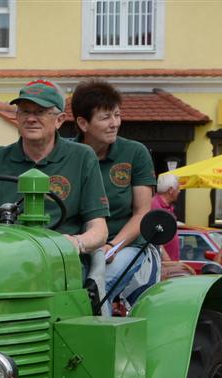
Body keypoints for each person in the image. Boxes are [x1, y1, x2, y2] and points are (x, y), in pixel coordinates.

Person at [0, 79, 109, 255]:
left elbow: (99, 229)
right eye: (24, 112)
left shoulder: (81, 157)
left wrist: (74, 243)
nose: (30, 119)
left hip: (60, 259)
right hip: (5, 256)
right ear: (17, 117)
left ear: (59, 120)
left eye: (40, 112)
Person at [70, 79, 157, 307]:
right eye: (105, 117)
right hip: (77, 245)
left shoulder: (134, 153)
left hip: (125, 245)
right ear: (82, 123)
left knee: (99, 287)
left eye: (117, 115)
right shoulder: (68, 154)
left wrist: (112, 247)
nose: (114, 123)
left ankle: (99, 341)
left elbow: (142, 213)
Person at [152, 173, 182, 261]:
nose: (179, 191)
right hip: (164, 265)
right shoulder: (155, 206)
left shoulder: (167, 206)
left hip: (170, 263)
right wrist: (168, 261)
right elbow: (155, 238)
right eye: (178, 188)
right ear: (170, 190)